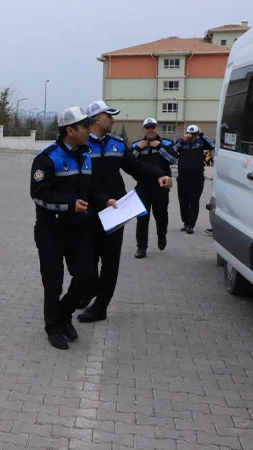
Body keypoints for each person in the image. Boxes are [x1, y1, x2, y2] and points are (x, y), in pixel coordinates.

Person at [77, 101, 173, 323]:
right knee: (86, 259)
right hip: (88, 210)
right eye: (109, 116)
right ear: (97, 117)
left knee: (110, 262)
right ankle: (90, 290)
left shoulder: (117, 144)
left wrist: (159, 174)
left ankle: (101, 306)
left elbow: (137, 168)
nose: (113, 120)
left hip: (115, 211)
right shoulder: (80, 144)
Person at [31, 106, 117, 350]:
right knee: (53, 284)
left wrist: (105, 200)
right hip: (51, 232)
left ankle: (64, 314)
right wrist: (69, 204)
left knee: (86, 278)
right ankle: (53, 327)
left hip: (79, 230)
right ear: (70, 130)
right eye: (85, 126)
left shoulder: (84, 155)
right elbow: (38, 193)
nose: (90, 130)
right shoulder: (48, 158)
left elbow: (88, 189)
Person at [132, 118, 178, 259]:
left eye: (152, 127)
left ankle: (161, 235)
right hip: (143, 187)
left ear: (156, 128)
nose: (150, 130)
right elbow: (129, 162)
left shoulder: (166, 143)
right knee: (142, 218)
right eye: (147, 128)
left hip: (161, 187)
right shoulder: (136, 145)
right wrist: (139, 148)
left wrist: (159, 147)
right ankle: (141, 247)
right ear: (144, 130)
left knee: (161, 216)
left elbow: (173, 159)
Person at [174, 125, 214, 234]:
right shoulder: (181, 142)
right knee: (183, 201)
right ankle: (185, 222)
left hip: (197, 178)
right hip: (183, 177)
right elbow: (173, 150)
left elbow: (212, 145)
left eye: (194, 134)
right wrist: (183, 140)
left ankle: (191, 225)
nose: (191, 136)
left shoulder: (201, 142)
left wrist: (202, 134)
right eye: (189, 134)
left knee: (194, 201)